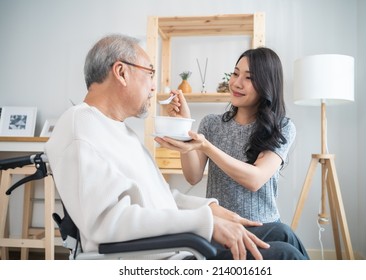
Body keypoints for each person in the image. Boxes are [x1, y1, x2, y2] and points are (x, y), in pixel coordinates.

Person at [45, 34, 309, 260]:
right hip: (171, 252)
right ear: (121, 72)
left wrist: (208, 208)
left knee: (282, 233)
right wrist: (205, 222)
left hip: (186, 236)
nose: (153, 86)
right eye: (150, 73)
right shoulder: (81, 127)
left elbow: (158, 197)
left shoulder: (119, 130)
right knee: (286, 255)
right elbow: (106, 224)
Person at [155, 47, 294, 224]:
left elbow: (255, 179)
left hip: (263, 228)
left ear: (267, 84)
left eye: (249, 77)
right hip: (221, 227)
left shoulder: (282, 127)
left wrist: (207, 146)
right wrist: (184, 127)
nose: (236, 83)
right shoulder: (211, 124)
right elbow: (193, 177)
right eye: (235, 74)